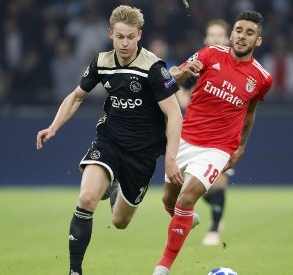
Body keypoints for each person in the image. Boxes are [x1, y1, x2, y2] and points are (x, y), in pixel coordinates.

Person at [35, 5, 184, 275]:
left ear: (139, 35)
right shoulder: (102, 63)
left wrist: (171, 158)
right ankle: (75, 271)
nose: (124, 43)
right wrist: (54, 126)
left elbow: (174, 114)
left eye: (130, 37)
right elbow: (77, 96)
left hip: (142, 154)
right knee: (86, 198)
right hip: (110, 142)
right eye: (119, 37)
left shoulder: (153, 68)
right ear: (111, 34)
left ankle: (114, 186)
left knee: (119, 222)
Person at [153, 11, 273, 275]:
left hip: (218, 148)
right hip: (185, 139)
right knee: (168, 199)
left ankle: (163, 267)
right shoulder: (209, 54)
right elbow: (170, 78)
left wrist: (241, 145)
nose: (242, 36)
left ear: (258, 41)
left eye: (249, 33)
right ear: (232, 33)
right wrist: (185, 71)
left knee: (185, 199)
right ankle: (186, 220)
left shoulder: (262, 78)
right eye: (239, 30)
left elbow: (250, 112)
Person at [176, 19, 234, 247]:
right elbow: (178, 82)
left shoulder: (235, 65)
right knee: (194, 189)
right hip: (194, 135)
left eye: (221, 35)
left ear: (228, 39)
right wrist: (183, 98)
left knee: (217, 183)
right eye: (212, 35)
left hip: (222, 136)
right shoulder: (200, 62)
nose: (217, 39)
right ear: (206, 40)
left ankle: (214, 229)